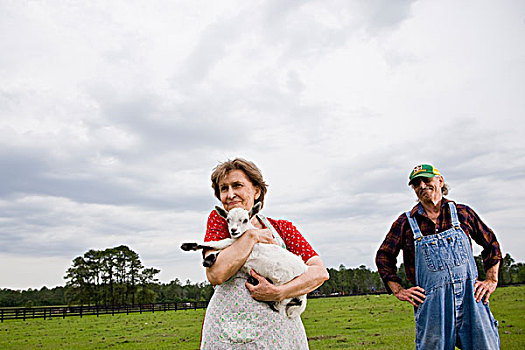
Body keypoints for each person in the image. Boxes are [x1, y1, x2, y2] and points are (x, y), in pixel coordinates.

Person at [200, 158, 329, 349]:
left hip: (282, 335)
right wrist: (251, 236)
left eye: (237, 185)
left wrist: (279, 292)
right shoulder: (220, 223)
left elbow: (319, 273)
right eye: (223, 189)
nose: (230, 194)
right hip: (232, 336)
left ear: (257, 191)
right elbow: (216, 273)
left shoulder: (283, 228)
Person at [376, 164, 501, 349]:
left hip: (472, 300)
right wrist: (399, 290)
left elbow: (491, 243)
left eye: (426, 180)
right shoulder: (406, 223)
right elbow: (384, 256)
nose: (422, 186)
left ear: (440, 181)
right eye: (416, 184)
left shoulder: (462, 213)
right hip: (433, 306)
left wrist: (491, 279)